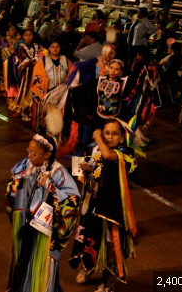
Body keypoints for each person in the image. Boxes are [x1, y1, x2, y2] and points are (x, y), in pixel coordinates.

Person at [5, 134, 81, 292]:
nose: (29, 156)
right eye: (28, 151)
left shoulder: (58, 173)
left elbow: (72, 204)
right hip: (25, 225)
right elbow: (11, 188)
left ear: (47, 155)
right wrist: (19, 180)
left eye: (34, 153)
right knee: (21, 261)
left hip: (44, 232)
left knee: (40, 269)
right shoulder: (25, 165)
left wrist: (50, 187)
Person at [69, 120, 138, 292]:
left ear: (122, 137)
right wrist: (87, 169)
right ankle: (88, 267)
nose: (109, 137)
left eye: (115, 134)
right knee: (88, 238)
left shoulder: (126, 154)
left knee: (109, 246)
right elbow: (95, 170)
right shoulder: (95, 150)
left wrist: (98, 137)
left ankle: (107, 284)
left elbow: (108, 157)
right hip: (92, 204)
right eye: (107, 133)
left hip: (110, 210)